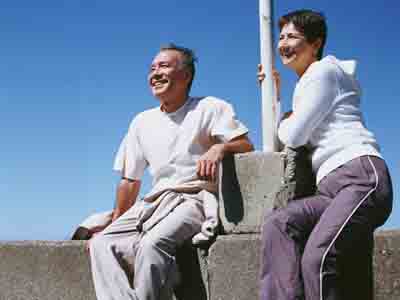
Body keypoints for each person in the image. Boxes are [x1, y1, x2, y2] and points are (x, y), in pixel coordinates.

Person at [88, 43, 254, 300]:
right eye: (152, 68)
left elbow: (245, 144)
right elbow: (130, 180)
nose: (155, 73)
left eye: (164, 66)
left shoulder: (210, 107)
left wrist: (219, 148)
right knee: (100, 243)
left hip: (195, 198)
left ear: (186, 75)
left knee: (152, 244)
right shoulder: (142, 121)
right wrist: (117, 221)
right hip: (155, 200)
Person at [258, 10, 392, 300]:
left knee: (317, 257)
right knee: (278, 222)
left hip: (360, 177)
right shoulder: (307, 84)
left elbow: (293, 135)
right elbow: (291, 129)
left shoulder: (324, 71)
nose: (282, 44)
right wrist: (276, 95)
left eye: (292, 36)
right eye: (280, 37)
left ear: (316, 43)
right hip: (328, 189)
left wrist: (287, 119)